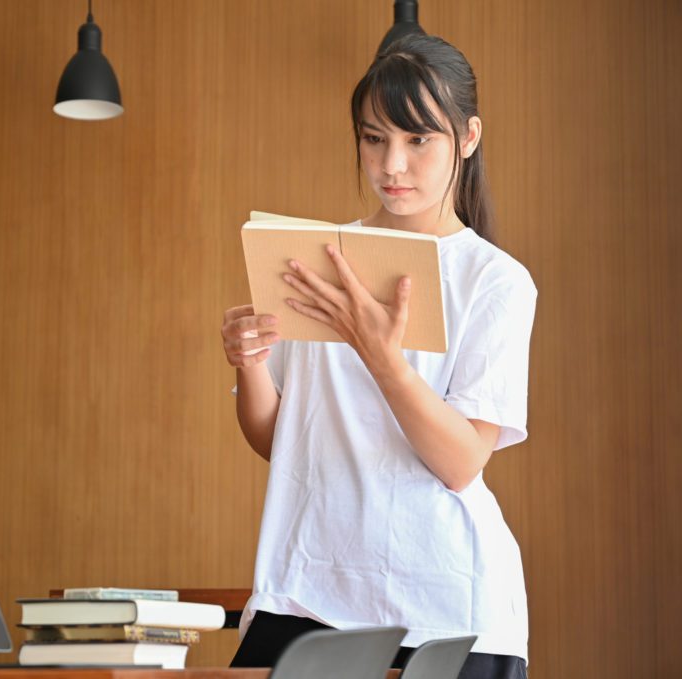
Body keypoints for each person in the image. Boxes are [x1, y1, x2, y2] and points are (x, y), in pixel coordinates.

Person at [220, 33, 536, 679]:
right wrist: (250, 364)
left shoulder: (494, 280)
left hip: (448, 605)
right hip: (306, 582)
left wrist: (379, 353)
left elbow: (459, 462)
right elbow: (283, 441)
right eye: (374, 138)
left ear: (468, 138)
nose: (393, 163)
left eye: (419, 139)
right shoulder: (318, 260)